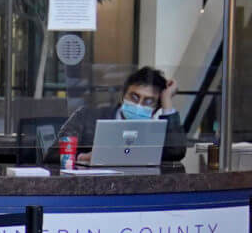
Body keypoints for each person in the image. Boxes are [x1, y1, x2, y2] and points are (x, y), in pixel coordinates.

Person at [47, 66, 186, 163]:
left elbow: (176, 153)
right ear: (123, 96)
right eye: (134, 97)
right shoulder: (86, 117)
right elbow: (52, 155)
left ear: (156, 108)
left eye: (148, 101)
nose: (139, 105)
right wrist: (82, 157)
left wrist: (167, 100)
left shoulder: (155, 130)